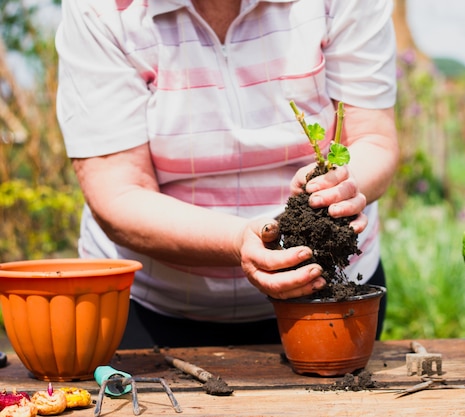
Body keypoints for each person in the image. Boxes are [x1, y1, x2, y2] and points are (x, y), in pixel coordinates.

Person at [55, 0, 399, 348]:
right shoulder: (101, 11)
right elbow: (119, 193)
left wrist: (340, 187)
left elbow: (372, 139)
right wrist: (239, 240)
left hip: (327, 296)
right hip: (151, 307)